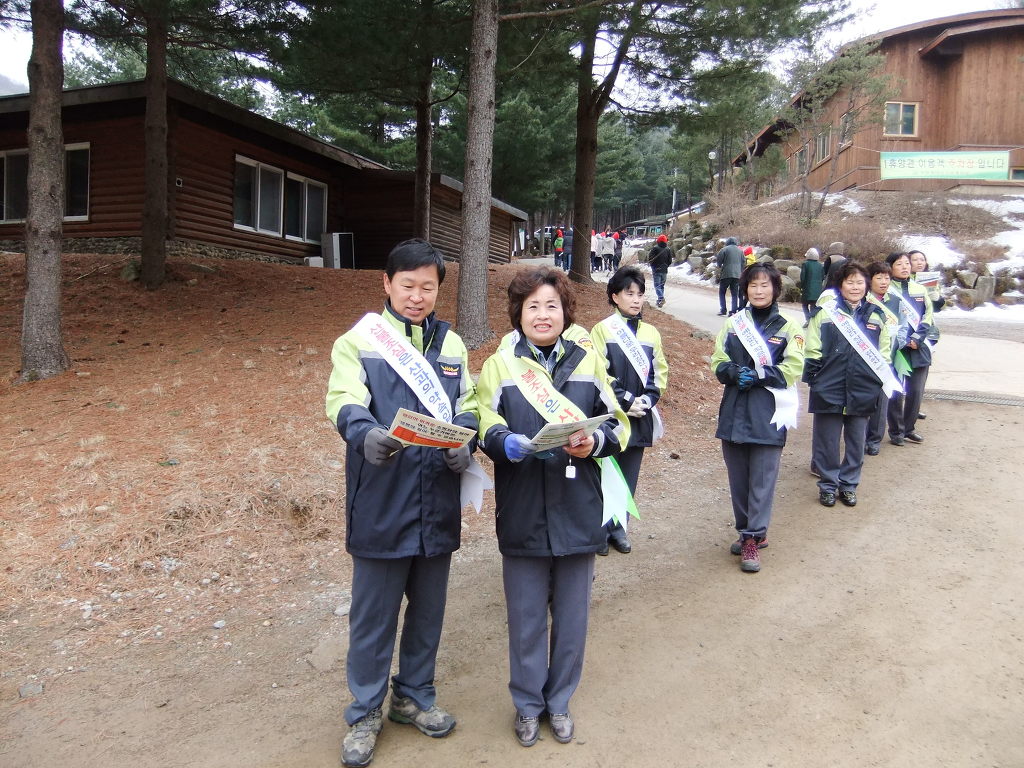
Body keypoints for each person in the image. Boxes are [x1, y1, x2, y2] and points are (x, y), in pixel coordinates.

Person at [325, 239, 479, 768]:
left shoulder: (452, 345)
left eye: (427, 287)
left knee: (428, 612)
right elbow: (343, 398)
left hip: (437, 499)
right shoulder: (360, 341)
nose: (417, 296)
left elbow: (469, 403)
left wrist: (466, 438)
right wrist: (364, 432)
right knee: (374, 616)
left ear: (439, 290)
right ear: (387, 284)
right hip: (382, 499)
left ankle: (413, 696)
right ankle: (365, 710)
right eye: (407, 285)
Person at [476, 266, 628, 749]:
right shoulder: (500, 365)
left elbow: (619, 424)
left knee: (572, 617)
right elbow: (482, 420)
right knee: (524, 618)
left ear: (566, 312)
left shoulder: (589, 361)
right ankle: (527, 705)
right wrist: (504, 441)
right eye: (533, 306)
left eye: (552, 306)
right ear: (518, 313)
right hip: (522, 506)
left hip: (578, 507)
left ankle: (559, 701)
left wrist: (594, 442)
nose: (543, 315)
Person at [710, 263, 804, 572]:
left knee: (762, 480)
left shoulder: (789, 326)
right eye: (753, 285)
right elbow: (718, 360)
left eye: (765, 285)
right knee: (738, 480)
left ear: (775, 289)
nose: (759, 291)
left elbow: (794, 367)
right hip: (734, 411)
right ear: (745, 289)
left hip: (769, 412)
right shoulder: (734, 324)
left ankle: (754, 536)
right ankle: (746, 530)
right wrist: (733, 372)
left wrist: (761, 375)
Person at [590, 266, 669, 555]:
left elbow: (659, 372)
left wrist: (648, 399)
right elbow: (598, 371)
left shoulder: (651, 333)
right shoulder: (602, 330)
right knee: (605, 473)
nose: (636, 300)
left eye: (640, 294)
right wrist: (624, 400)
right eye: (629, 293)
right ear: (615, 296)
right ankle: (599, 530)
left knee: (629, 475)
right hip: (611, 417)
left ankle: (619, 528)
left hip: (640, 417)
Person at [804, 262, 895, 508]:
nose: (855, 287)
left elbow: (884, 353)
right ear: (840, 285)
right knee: (827, 441)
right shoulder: (825, 313)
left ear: (867, 285)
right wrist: (815, 379)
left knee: (856, 441)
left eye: (859, 282)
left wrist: (877, 381)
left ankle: (849, 485)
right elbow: (812, 349)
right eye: (850, 282)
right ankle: (827, 485)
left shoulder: (877, 315)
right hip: (829, 386)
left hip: (863, 387)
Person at [885, 251, 935, 446]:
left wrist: (917, 337)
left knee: (916, 390)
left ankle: (909, 428)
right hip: (896, 347)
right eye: (899, 264)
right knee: (896, 391)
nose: (905, 267)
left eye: (907, 263)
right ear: (890, 267)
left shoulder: (919, 289)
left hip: (918, 346)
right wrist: (903, 340)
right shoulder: (886, 290)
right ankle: (896, 431)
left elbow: (928, 315)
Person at [864, 261, 909, 456]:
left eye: (887, 277)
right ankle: (860, 437)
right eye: (879, 277)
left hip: (887, 357)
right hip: (864, 356)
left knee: (882, 400)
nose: (884, 281)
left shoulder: (896, 301)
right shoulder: (863, 300)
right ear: (870, 279)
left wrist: (896, 344)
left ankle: (874, 439)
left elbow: (904, 327)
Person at [714, 236, 744, 316]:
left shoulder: (724, 249)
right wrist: (740, 271)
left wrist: (719, 265)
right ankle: (733, 311)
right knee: (734, 294)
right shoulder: (740, 251)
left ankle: (723, 310)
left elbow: (719, 260)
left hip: (726, 274)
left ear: (727, 242)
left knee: (722, 292)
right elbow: (743, 262)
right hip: (737, 275)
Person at [799, 247, 824, 325]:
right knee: (813, 306)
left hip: (807, 289)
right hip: (817, 290)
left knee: (804, 305)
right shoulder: (820, 265)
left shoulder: (806, 264)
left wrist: (801, 287)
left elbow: (802, 277)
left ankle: (808, 319)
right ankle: (812, 321)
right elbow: (822, 277)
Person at [647, 234, 672, 308]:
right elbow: (670, 261)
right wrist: (666, 266)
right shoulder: (668, 249)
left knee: (657, 286)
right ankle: (660, 301)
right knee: (661, 286)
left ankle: (661, 298)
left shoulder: (655, 248)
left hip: (656, 269)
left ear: (658, 240)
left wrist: (653, 266)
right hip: (664, 270)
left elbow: (650, 259)